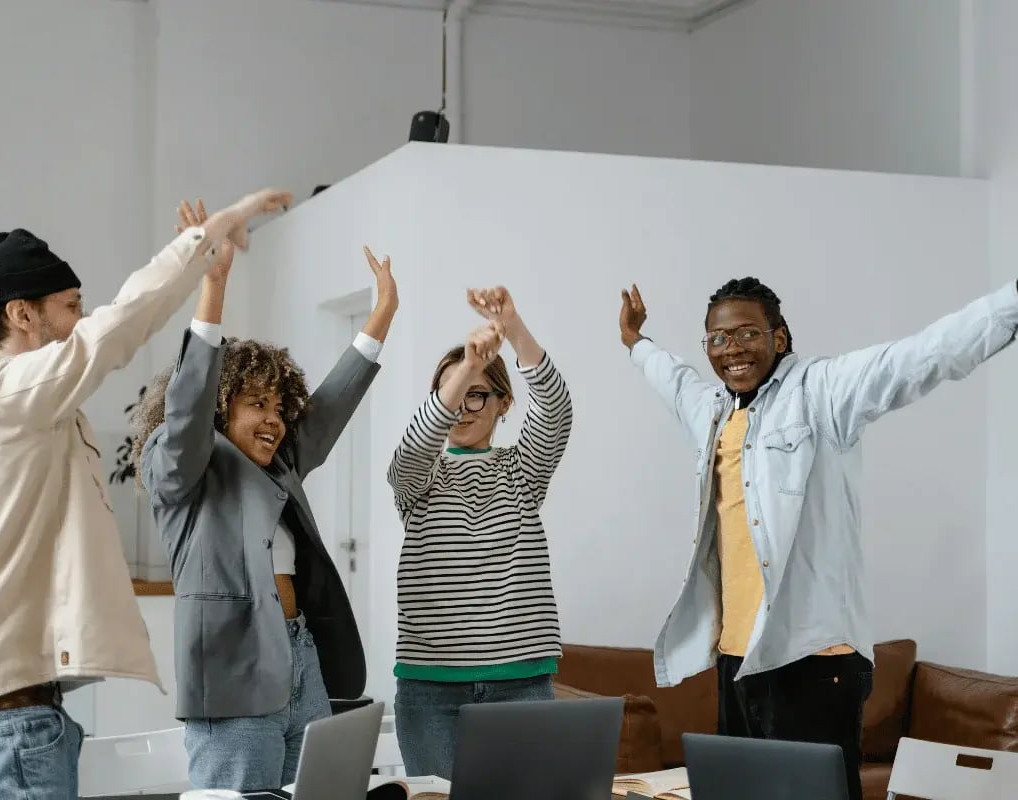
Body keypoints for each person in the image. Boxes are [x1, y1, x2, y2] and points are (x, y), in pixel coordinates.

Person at [0, 188, 291, 800]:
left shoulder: (4, 417)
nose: (82, 319)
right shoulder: (4, 396)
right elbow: (116, 330)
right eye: (70, 305)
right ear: (22, 315)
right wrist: (208, 238)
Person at [618, 276, 1018, 800]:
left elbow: (923, 356)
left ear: (779, 337)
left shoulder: (822, 392)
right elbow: (674, 381)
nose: (731, 349)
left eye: (747, 334)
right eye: (717, 339)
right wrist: (636, 342)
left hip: (814, 658)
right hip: (738, 659)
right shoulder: (715, 410)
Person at [133, 200, 399, 792]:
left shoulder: (277, 465)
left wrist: (379, 318)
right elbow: (187, 411)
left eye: (280, 407)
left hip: (301, 658)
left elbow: (326, 413)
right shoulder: (178, 468)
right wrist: (214, 285)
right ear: (221, 407)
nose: (275, 420)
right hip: (232, 681)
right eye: (257, 404)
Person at [386, 287, 573, 778]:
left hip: (522, 686)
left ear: (504, 402)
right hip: (430, 691)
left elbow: (556, 412)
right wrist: (469, 366)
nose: (463, 409)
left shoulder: (521, 471)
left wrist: (512, 327)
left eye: (477, 393)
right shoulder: (420, 478)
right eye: (451, 395)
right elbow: (412, 450)